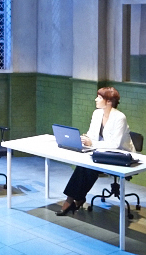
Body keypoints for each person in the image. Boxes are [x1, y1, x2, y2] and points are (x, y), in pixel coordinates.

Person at [57, 87, 135, 216]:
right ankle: (71, 200)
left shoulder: (120, 117)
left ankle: (74, 200)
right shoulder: (97, 113)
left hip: (120, 156)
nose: (95, 99)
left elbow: (115, 144)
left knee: (89, 167)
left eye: (99, 97)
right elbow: (92, 134)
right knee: (84, 165)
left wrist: (92, 143)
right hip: (102, 152)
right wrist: (85, 139)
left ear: (109, 101)